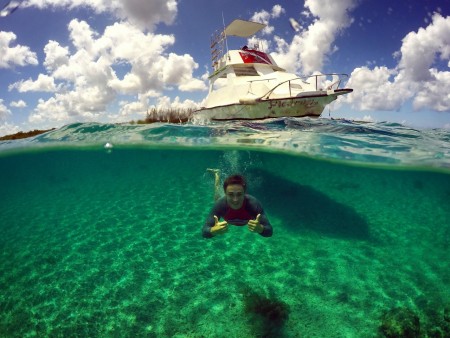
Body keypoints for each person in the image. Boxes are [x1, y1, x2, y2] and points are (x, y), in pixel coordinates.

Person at [203, 170, 272, 238]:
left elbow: (269, 231)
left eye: (239, 194)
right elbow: (204, 231)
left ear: (244, 193)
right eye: (230, 194)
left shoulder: (253, 204)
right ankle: (217, 175)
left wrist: (260, 229)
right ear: (225, 194)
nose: (235, 200)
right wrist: (213, 230)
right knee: (216, 196)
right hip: (222, 201)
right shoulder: (220, 205)